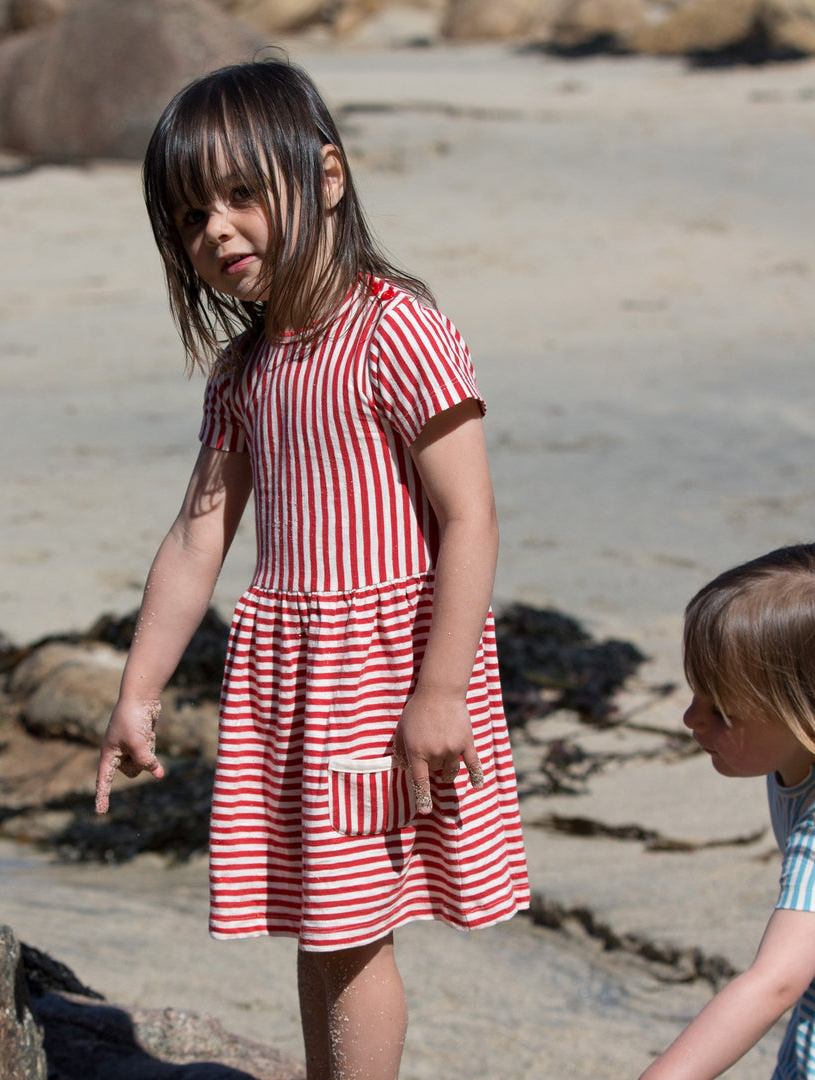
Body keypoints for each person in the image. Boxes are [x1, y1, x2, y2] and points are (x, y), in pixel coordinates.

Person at [95, 57, 530, 1080]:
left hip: (382, 674)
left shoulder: (395, 331)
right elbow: (199, 535)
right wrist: (138, 690)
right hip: (291, 673)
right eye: (193, 216)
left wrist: (438, 692)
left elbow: (471, 520)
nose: (219, 232)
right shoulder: (246, 370)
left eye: (243, 195)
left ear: (326, 178)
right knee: (317, 917)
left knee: (354, 927)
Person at [640, 543, 815, 1080]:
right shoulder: (793, 756)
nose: (692, 719)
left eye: (722, 709)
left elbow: (776, 982)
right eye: (696, 692)